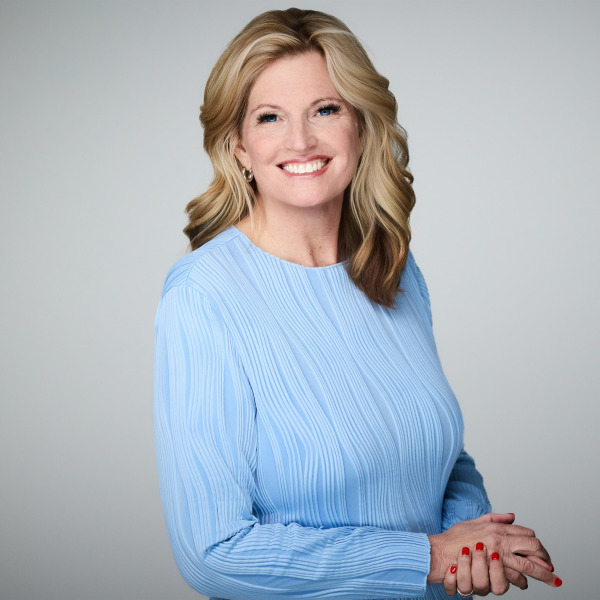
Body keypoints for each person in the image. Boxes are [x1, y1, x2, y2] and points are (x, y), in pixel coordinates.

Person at [154, 8, 561, 599]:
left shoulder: (392, 266)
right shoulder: (204, 295)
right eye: (270, 117)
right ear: (238, 146)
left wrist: (475, 542)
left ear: (361, 125)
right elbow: (213, 554)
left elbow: (438, 455)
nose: (301, 140)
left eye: (326, 109)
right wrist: (428, 556)